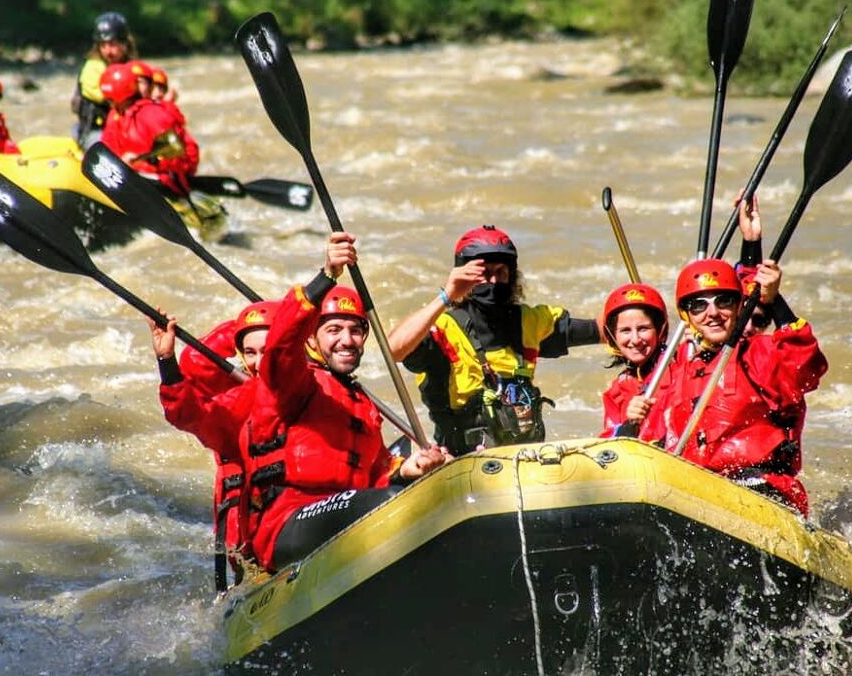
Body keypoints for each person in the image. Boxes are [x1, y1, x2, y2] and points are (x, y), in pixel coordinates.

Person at [237, 232, 449, 572]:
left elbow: (375, 475)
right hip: (287, 521)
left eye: (355, 331)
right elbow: (279, 344)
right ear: (313, 338)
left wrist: (410, 470)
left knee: (423, 487)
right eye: (334, 330)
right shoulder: (293, 381)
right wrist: (327, 276)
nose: (347, 340)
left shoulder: (363, 404)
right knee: (395, 505)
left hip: (345, 510)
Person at [623, 251, 827, 515]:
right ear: (687, 315)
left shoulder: (759, 353)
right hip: (700, 490)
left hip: (761, 487)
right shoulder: (681, 372)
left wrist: (774, 300)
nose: (713, 313)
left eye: (724, 302)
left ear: (739, 306)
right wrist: (631, 422)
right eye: (699, 306)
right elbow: (656, 444)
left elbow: (807, 367)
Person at [388, 225, 601, 454]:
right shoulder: (442, 330)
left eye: (501, 272)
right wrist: (447, 296)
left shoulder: (530, 321)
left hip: (523, 457)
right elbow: (392, 351)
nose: (493, 281)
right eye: (483, 274)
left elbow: (604, 330)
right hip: (459, 459)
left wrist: (636, 311)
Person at [148, 301, 277, 589]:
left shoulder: (320, 383)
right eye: (251, 353)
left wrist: (293, 314)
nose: (259, 363)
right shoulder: (240, 408)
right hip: (258, 543)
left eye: (268, 351)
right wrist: (168, 360)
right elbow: (189, 409)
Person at [98, 62, 199, 195]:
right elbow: (107, 148)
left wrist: (141, 162)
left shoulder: (152, 114)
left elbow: (179, 156)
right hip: (130, 178)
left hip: (162, 183)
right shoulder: (116, 116)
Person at [599, 282, 668, 435]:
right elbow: (607, 441)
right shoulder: (616, 391)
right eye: (625, 331)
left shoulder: (682, 366)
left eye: (643, 329)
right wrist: (627, 426)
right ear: (613, 337)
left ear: (660, 330)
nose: (635, 339)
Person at [71, 11, 136, 149]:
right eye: (103, 45)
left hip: (124, 128)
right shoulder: (92, 68)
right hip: (94, 131)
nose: (108, 51)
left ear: (125, 43)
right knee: (107, 147)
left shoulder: (132, 66)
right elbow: (109, 97)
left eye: (113, 44)